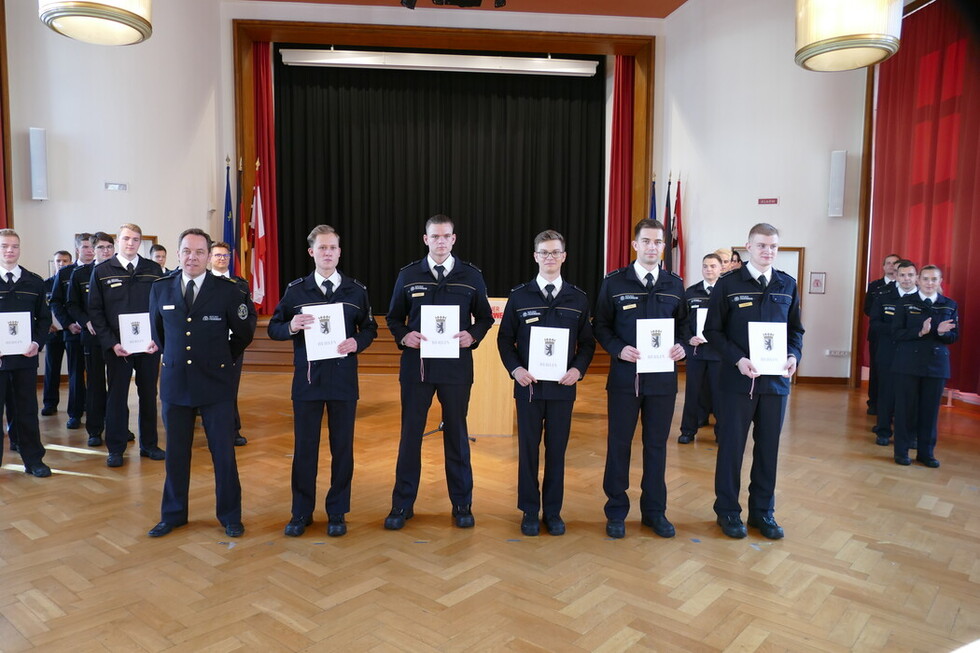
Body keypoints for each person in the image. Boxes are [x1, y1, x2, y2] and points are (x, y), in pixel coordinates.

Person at [384, 214, 494, 530]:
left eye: (446, 236)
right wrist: (404, 336)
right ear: (426, 239)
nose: (441, 241)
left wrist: (473, 335)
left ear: (454, 239)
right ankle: (401, 504)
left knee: (457, 435)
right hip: (416, 368)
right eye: (435, 236)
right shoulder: (408, 275)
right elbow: (393, 318)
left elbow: (485, 318)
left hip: (456, 368)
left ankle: (462, 504)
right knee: (410, 437)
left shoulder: (471, 276)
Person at [268, 225, 377, 537]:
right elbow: (273, 328)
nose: (328, 253)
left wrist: (358, 342)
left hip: (343, 382)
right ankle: (301, 513)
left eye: (333, 248)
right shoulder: (296, 291)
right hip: (307, 383)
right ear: (311, 252)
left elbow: (369, 329)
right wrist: (291, 325)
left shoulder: (356, 290)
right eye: (322, 248)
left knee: (342, 450)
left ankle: (337, 511)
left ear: (339, 252)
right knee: (305, 450)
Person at [147, 229, 256, 538]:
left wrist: (222, 358)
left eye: (198, 252)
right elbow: (159, 333)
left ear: (209, 256)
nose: (191, 257)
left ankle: (230, 516)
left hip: (215, 384)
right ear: (178, 253)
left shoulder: (228, 290)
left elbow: (244, 333)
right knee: (176, 456)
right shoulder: (161, 288)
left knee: (223, 454)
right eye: (186, 251)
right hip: (175, 383)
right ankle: (173, 515)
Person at [704, 223, 804, 540]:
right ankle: (728, 512)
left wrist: (793, 356)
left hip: (775, 384)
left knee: (768, 450)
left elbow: (796, 331)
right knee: (732, 448)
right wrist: (738, 359)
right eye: (761, 245)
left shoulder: (787, 284)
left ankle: (763, 513)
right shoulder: (729, 283)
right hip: (737, 381)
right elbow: (712, 331)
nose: (768, 251)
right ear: (748, 247)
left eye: (773, 246)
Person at [497, 230, 595, 536]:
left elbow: (588, 344)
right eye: (544, 252)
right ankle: (529, 510)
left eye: (555, 252)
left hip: (563, 390)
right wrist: (515, 370)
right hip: (528, 388)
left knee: (556, 452)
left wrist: (578, 370)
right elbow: (504, 340)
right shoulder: (519, 296)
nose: (550, 258)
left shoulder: (577, 298)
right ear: (535, 257)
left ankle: (552, 511)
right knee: (528, 451)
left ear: (564, 257)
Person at [593, 218, 687, 539]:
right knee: (619, 445)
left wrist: (683, 347)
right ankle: (616, 511)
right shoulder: (615, 282)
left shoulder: (675, 284)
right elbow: (601, 325)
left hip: (662, 381)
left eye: (657, 242)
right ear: (635, 245)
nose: (652, 247)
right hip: (624, 379)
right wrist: (619, 350)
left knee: (656, 446)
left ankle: (654, 512)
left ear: (664, 246)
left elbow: (686, 328)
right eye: (646, 241)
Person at [87, 223, 165, 467]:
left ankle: (149, 444)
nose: (131, 243)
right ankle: (116, 448)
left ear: (140, 242)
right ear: (118, 241)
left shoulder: (153, 270)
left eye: (135, 239)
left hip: (148, 346)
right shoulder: (102, 271)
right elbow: (95, 311)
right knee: (117, 397)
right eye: (126, 239)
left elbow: (164, 307)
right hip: (117, 347)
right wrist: (111, 343)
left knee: (149, 395)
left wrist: (158, 339)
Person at [891, 264, 958, 468]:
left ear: (940, 282)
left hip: (936, 365)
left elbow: (954, 337)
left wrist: (941, 332)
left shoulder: (949, 305)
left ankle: (926, 453)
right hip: (908, 364)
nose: (929, 283)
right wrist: (920, 331)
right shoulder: (904, 303)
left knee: (930, 412)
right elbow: (896, 333)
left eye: (934, 279)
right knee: (905, 410)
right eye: (926, 279)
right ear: (918, 281)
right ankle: (902, 451)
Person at [0, 229, 53, 477]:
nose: (10, 250)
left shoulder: (34, 281)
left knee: (27, 410)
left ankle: (33, 460)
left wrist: (36, 342)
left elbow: (44, 319)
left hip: (25, 359)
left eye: (14, 246)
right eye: (4, 246)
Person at [66, 233, 114, 447]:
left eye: (109, 247)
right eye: (101, 247)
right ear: (92, 250)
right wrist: (86, 322)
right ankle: (94, 429)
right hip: (93, 338)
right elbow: (72, 304)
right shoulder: (81, 273)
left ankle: (117, 426)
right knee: (95, 385)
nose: (106, 251)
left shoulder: (120, 272)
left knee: (117, 385)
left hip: (116, 338)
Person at [869, 259, 918, 447]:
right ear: (896, 276)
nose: (906, 279)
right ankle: (883, 431)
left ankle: (908, 434)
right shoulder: (883, 296)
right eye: (902, 275)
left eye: (910, 275)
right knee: (886, 393)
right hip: (888, 351)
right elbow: (875, 324)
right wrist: (899, 330)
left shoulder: (922, 299)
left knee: (910, 395)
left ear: (916, 277)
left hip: (913, 354)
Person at [49, 234, 94, 431]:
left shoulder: (101, 270)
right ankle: (75, 414)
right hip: (74, 332)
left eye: (92, 246)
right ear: (77, 249)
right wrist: (68, 324)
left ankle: (98, 413)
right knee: (76, 374)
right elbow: (56, 302)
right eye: (85, 247)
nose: (89, 250)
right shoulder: (66, 272)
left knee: (97, 375)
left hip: (97, 333)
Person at [678, 253, 724, 444]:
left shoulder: (726, 291)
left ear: (721, 268)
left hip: (719, 353)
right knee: (692, 393)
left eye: (713, 266)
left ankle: (722, 433)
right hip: (696, 353)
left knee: (720, 394)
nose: (708, 269)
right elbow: (683, 322)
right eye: (705, 266)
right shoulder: (691, 292)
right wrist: (689, 338)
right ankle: (688, 430)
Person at [210, 241, 250, 447]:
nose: (222, 259)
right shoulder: (203, 283)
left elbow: (248, 314)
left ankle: (233, 430)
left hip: (232, 345)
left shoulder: (240, 284)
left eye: (225, 256)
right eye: (217, 255)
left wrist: (242, 339)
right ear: (210, 257)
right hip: (207, 345)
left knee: (230, 388)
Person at [864, 253, 902, 415]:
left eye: (895, 263)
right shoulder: (874, 286)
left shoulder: (904, 286)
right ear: (883, 266)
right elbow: (868, 309)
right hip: (879, 334)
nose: (891, 266)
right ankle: (874, 402)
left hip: (900, 336)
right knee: (877, 369)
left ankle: (894, 405)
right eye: (888, 263)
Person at [41, 250, 73, 419]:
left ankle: (80, 404)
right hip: (53, 332)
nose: (61, 264)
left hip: (72, 331)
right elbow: (39, 308)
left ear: (70, 262)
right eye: (58, 261)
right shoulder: (45, 284)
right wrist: (46, 323)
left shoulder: (72, 281)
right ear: (54, 263)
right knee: (52, 368)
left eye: (65, 261)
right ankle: (49, 403)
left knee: (76, 370)